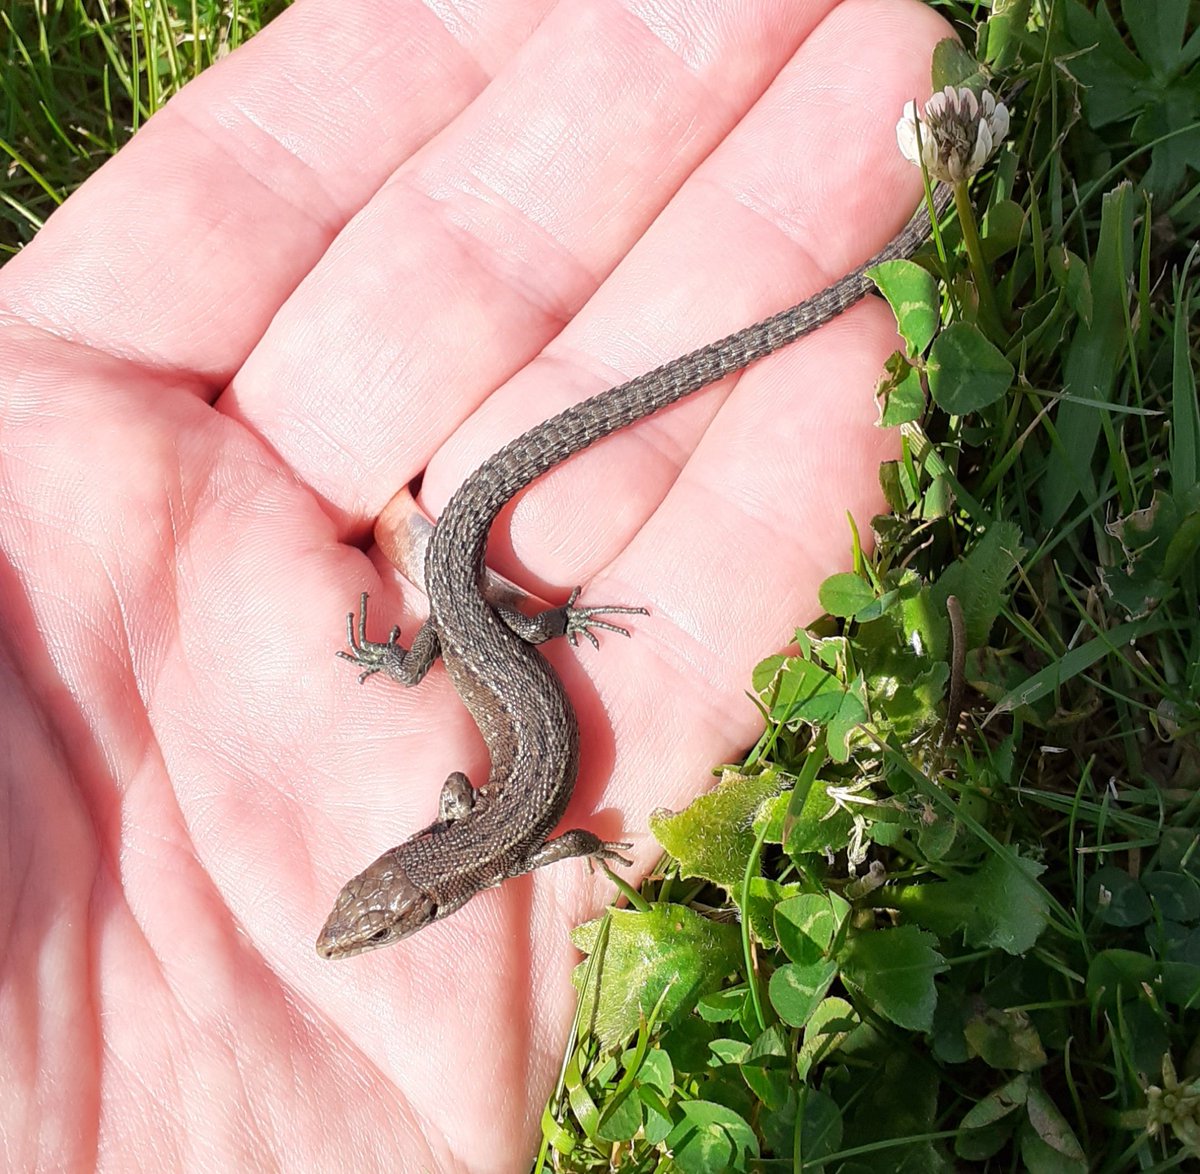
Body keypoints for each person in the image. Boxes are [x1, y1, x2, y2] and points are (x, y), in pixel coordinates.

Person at [0, 0, 948, 1168]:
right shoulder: (469, 828)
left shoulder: (511, 851)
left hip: (490, 619)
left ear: (433, 898)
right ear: (422, 890)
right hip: (474, 621)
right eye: (377, 914)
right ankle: (900, 243)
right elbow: (460, 784)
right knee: (481, 614)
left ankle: (892, 247)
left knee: (559, 530)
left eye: (378, 911)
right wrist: (437, 655)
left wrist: (579, 813)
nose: (364, 923)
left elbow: (526, 820)